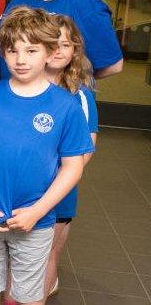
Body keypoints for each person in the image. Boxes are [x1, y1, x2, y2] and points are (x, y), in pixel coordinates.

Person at [0, 7, 93, 305]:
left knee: (28, 296)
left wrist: (38, 210)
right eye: (12, 50)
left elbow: (73, 167)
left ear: (49, 51)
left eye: (31, 50)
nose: (20, 59)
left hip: (36, 219)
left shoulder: (64, 106)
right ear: (2, 53)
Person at [42, 15, 98, 299]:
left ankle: (41, 293)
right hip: (24, 189)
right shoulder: (24, 87)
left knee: (49, 252)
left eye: (66, 44)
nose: (58, 49)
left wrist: (58, 180)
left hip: (60, 191)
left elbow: (86, 148)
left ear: (74, 50)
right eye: (52, 42)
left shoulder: (81, 96)